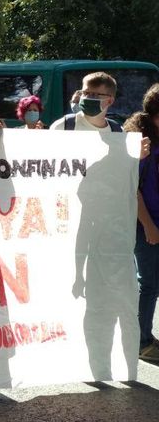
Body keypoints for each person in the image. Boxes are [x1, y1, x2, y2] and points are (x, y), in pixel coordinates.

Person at [122, 84, 159, 361]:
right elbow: (132, 189)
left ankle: (143, 335)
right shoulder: (141, 144)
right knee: (148, 284)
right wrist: (148, 225)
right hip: (145, 225)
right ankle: (141, 342)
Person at [49, 73, 122, 132]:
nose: (88, 98)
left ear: (110, 101)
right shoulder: (62, 127)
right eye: (85, 93)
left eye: (95, 95)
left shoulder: (118, 132)